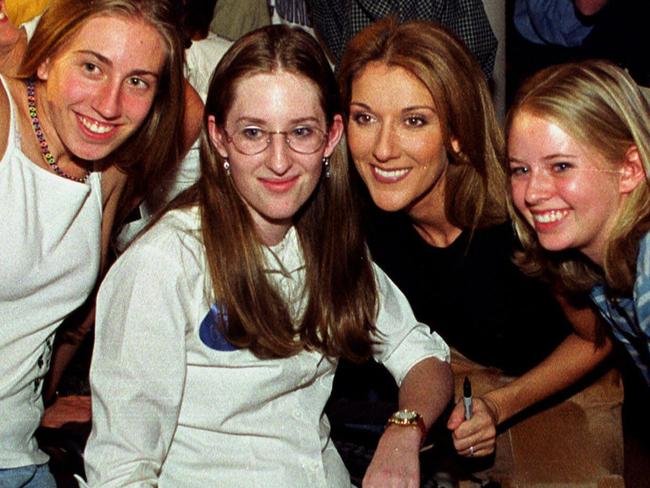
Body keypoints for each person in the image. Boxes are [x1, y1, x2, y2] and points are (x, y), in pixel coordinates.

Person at [81, 24, 452, 487]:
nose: (279, 161)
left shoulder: (330, 244)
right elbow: (121, 471)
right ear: (218, 138)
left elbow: (422, 357)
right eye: (254, 132)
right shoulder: (165, 264)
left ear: (331, 137)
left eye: (301, 132)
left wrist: (403, 433)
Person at [336, 17, 623, 486]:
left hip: (559, 382)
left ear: (456, 132)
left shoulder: (520, 208)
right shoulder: (357, 211)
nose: (382, 149)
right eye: (364, 118)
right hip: (451, 373)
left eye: (414, 120)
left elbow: (597, 338)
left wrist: (498, 406)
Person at [0, 0, 186, 485]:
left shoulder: (110, 166)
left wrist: (43, 400)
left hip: (19, 450)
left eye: (138, 82)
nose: (109, 105)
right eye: (91, 67)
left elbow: (66, 319)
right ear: (43, 59)